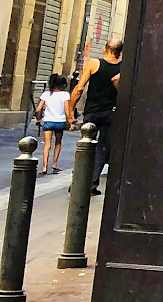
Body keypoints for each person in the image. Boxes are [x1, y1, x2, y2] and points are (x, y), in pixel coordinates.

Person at [70, 35, 124, 194]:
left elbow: (79, 88)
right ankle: (92, 183)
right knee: (102, 148)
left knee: (85, 147)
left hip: (91, 112)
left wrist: (71, 112)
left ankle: (77, 182)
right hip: (110, 113)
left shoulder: (94, 64)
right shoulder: (123, 68)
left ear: (104, 49)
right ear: (120, 53)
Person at [36, 74, 71, 174]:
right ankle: (55, 164)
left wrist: (39, 120)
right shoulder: (65, 95)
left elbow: (38, 109)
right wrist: (70, 121)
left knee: (47, 144)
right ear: (63, 85)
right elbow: (67, 109)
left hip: (48, 121)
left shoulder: (46, 94)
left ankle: (44, 167)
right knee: (58, 143)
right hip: (60, 121)